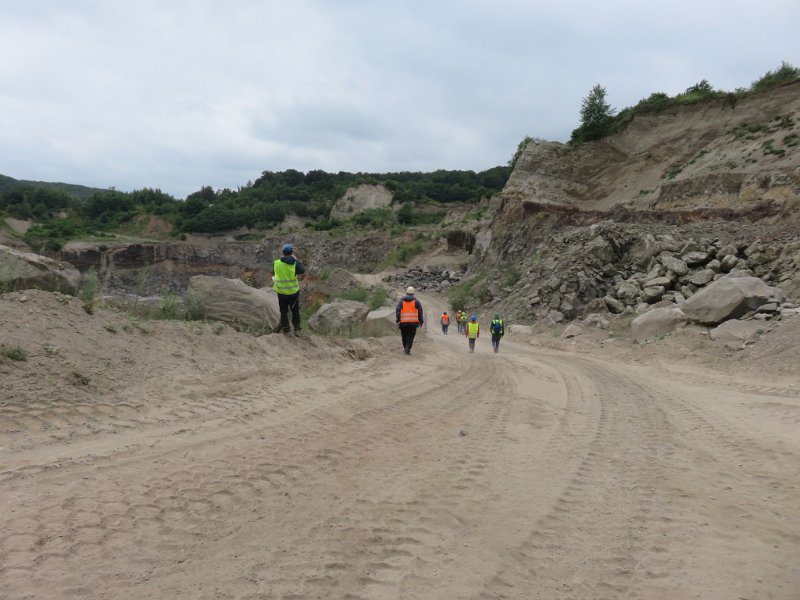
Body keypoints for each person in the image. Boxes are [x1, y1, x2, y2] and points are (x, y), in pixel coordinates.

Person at [273, 243, 305, 336]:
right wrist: (296, 259)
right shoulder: (295, 264)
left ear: (282, 252)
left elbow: (275, 274)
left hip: (281, 292)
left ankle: (286, 331)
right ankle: (297, 329)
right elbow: (302, 270)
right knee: (295, 311)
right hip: (293, 293)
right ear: (292, 253)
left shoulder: (276, 263)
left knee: (283, 312)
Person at [395, 286, 424, 355]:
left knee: (404, 336)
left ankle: (405, 348)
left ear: (406, 293)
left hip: (403, 323)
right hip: (413, 323)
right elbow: (420, 312)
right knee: (411, 337)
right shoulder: (417, 302)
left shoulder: (401, 301)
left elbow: (398, 310)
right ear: (413, 294)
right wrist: (421, 321)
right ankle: (407, 349)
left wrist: (398, 320)